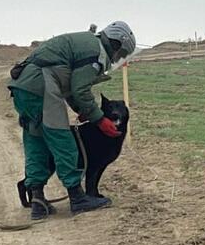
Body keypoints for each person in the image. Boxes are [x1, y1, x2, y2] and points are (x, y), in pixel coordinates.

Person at [8, 21, 136, 219]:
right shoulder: (96, 52)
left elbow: (68, 85)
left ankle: (37, 199)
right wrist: (99, 119)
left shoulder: (84, 43)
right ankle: (78, 198)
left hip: (22, 89)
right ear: (117, 44)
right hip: (41, 87)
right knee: (63, 141)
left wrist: (82, 110)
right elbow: (80, 89)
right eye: (121, 54)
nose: (118, 58)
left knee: (37, 142)